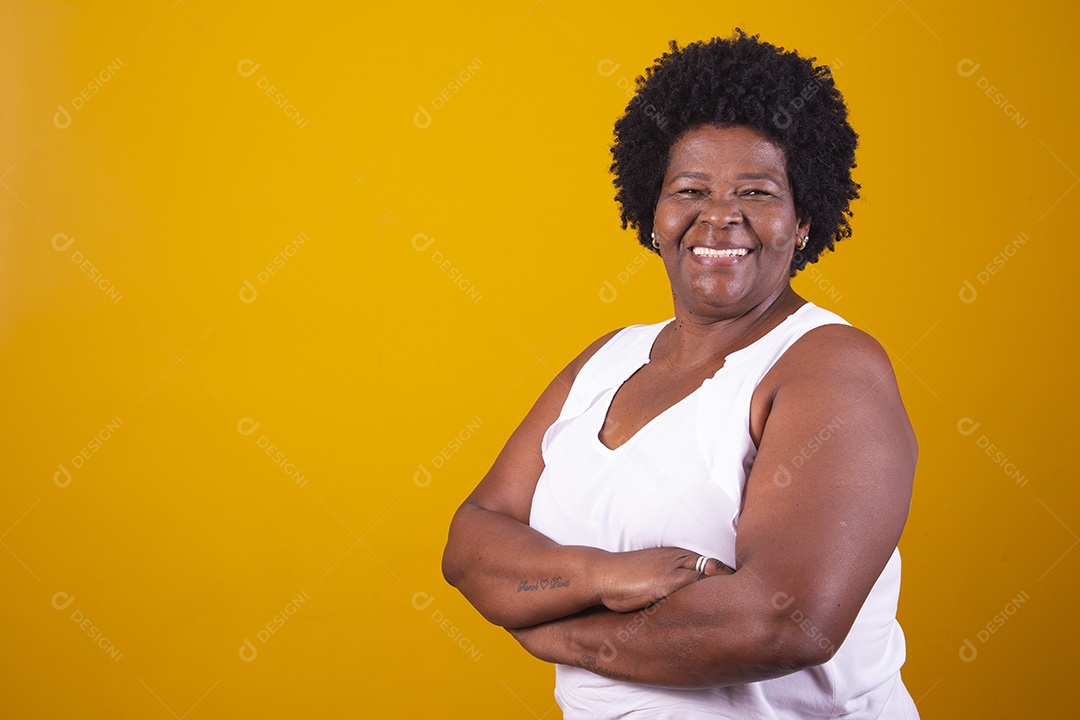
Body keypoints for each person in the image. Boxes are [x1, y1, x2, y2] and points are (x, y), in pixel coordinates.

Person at [442, 29, 919, 719]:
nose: (719, 216)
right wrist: (606, 575)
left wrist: (556, 629)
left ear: (805, 218)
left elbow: (781, 624)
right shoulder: (608, 360)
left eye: (756, 191)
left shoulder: (831, 367)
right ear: (654, 215)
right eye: (690, 188)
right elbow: (473, 541)